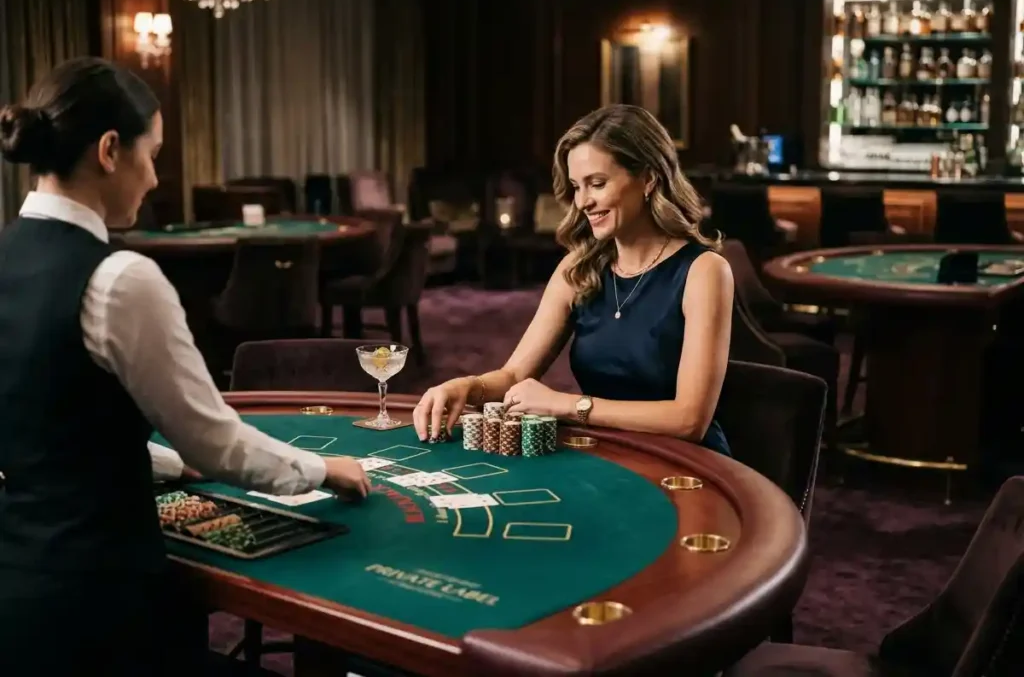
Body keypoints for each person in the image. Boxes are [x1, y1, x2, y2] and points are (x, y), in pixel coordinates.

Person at [0, 57, 369, 676]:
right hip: (105, 618)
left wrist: (168, 461)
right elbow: (220, 445)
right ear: (111, 150)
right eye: (154, 154)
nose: (153, 178)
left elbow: (48, 426)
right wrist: (324, 469)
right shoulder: (119, 278)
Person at [414, 104, 734, 456]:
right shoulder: (578, 269)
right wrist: (467, 386)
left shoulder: (704, 272)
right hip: (609, 451)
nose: (582, 201)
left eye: (597, 184)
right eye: (576, 187)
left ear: (648, 178)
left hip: (689, 465)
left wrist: (567, 405)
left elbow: (689, 420)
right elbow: (514, 375)